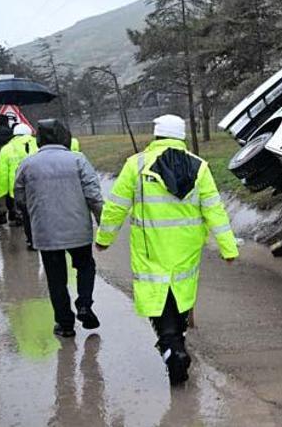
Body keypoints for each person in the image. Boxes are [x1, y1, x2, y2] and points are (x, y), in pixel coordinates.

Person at [95, 114, 238, 385]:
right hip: (186, 248)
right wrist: (227, 248)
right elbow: (214, 210)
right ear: (182, 136)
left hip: (150, 249)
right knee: (180, 295)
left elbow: (115, 207)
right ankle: (177, 343)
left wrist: (104, 239)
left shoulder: (136, 165)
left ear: (156, 135)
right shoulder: (200, 167)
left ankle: (172, 347)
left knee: (158, 299)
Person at [14, 119, 104, 338]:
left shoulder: (28, 164)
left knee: (55, 278)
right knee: (85, 266)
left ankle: (65, 324)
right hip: (77, 229)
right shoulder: (78, 160)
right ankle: (84, 303)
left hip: (46, 232)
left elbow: (20, 197)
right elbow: (93, 195)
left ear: (39, 139)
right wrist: (103, 224)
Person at [0, 124, 38, 235]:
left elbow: (2, 174)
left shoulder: (6, 149)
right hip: (37, 184)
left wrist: (1, 194)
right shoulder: (38, 144)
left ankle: (21, 222)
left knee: (23, 212)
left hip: (16, 187)